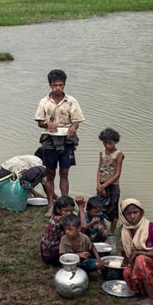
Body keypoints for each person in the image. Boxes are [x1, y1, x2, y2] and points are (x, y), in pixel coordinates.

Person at [34, 69, 84, 217]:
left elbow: (77, 121)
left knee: (64, 173)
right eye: (55, 85)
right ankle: (51, 205)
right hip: (49, 140)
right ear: (50, 85)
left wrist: (74, 127)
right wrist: (47, 124)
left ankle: (65, 205)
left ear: (64, 85)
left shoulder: (71, 101)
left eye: (61, 85)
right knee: (50, 174)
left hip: (67, 140)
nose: (58, 88)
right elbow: (39, 122)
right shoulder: (44, 102)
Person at [40, 195, 87, 264]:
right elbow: (82, 227)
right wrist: (80, 207)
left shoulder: (57, 216)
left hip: (47, 253)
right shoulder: (60, 220)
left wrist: (81, 207)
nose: (69, 213)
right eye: (66, 210)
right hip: (52, 256)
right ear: (58, 210)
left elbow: (78, 222)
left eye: (71, 211)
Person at [96, 127, 124, 240]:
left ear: (115, 142)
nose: (107, 146)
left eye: (110, 143)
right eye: (105, 143)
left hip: (112, 185)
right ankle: (101, 228)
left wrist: (103, 186)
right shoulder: (102, 152)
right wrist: (99, 185)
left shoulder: (119, 154)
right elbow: (99, 169)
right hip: (101, 185)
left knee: (113, 209)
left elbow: (117, 174)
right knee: (99, 207)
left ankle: (111, 233)